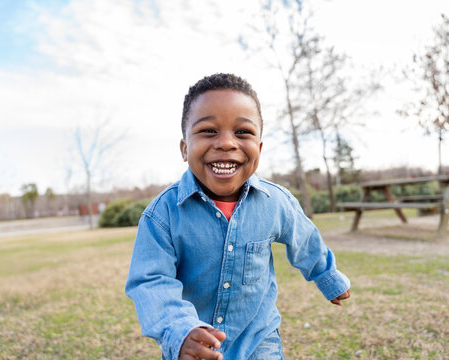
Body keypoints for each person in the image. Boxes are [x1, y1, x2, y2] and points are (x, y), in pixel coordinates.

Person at [125, 73, 351, 360]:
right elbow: (150, 281)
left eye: (242, 132)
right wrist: (178, 330)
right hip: (194, 342)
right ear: (184, 148)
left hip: (259, 337)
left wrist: (327, 275)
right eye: (208, 131)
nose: (227, 143)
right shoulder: (162, 215)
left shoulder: (275, 202)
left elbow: (304, 239)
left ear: (259, 147)